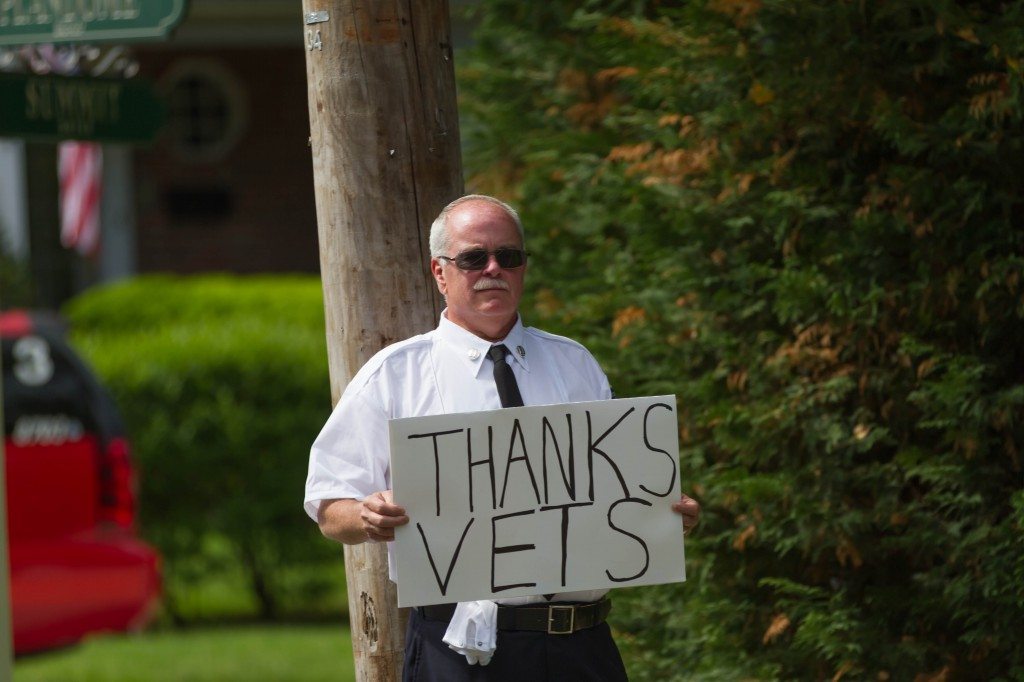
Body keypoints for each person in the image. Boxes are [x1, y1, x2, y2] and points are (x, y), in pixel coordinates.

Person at [304, 194, 701, 681]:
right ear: (440, 272)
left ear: (523, 268)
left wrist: (659, 512)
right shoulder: (394, 375)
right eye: (473, 258)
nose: (493, 268)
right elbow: (328, 504)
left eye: (508, 256)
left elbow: (611, 486)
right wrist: (365, 515)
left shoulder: (574, 363)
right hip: (460, 651)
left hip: (582, 646)